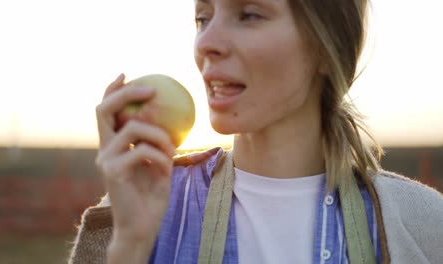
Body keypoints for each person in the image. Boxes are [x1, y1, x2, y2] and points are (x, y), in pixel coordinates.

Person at [68, 0, 443, 263]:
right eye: (203, 17)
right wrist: (129, 246)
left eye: (247, 14)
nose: (206, 43)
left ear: (327, 49)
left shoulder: (422, 222)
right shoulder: (150, 203)